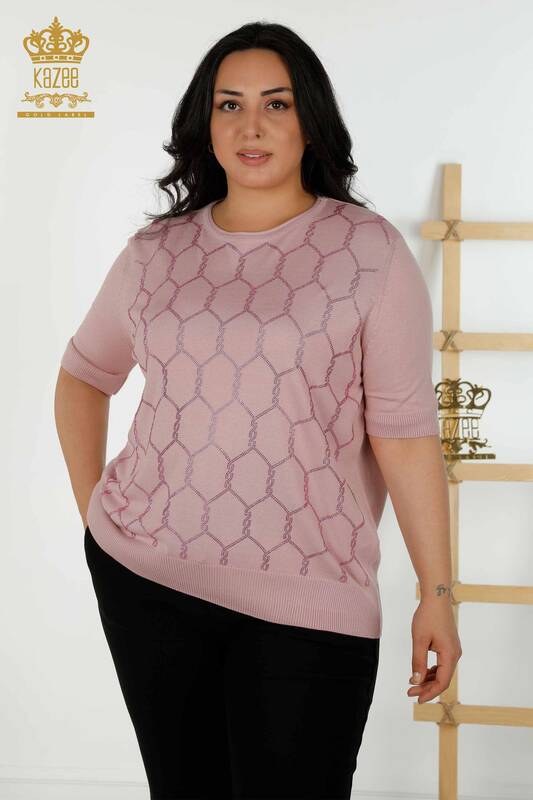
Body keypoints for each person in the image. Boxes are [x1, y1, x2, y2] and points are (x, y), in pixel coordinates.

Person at [54, 20, 462, 800]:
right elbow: (82, 376)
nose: (251, 126)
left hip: (313, 600)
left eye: (276, 103)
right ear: (203, 124)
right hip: (148, 580)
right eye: (229, 105)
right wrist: (94, 514)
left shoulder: (367, 252)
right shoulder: (156, 254)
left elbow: (405, 434)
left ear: (309, 119)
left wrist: (436, 594)